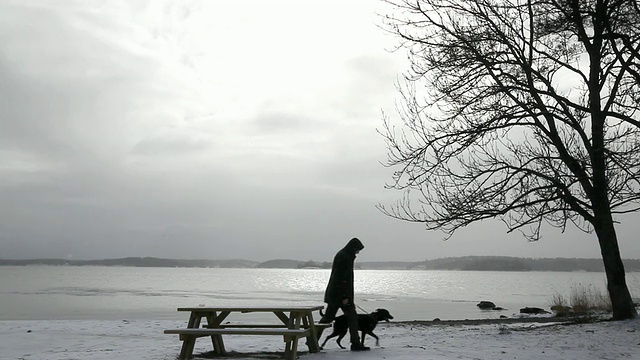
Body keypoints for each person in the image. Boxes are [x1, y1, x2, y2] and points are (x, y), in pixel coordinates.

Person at [319, 237, 369, 351]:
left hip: (336, 294)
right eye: (357, 250)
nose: (358, 252)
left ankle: (312, 339)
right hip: (340, 295)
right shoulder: (344, 257)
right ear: (353, 248)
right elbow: (341, 278)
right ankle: (355, 343)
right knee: (351, 318)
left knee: (328, 318)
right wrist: (345, 297)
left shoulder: (344, 255)